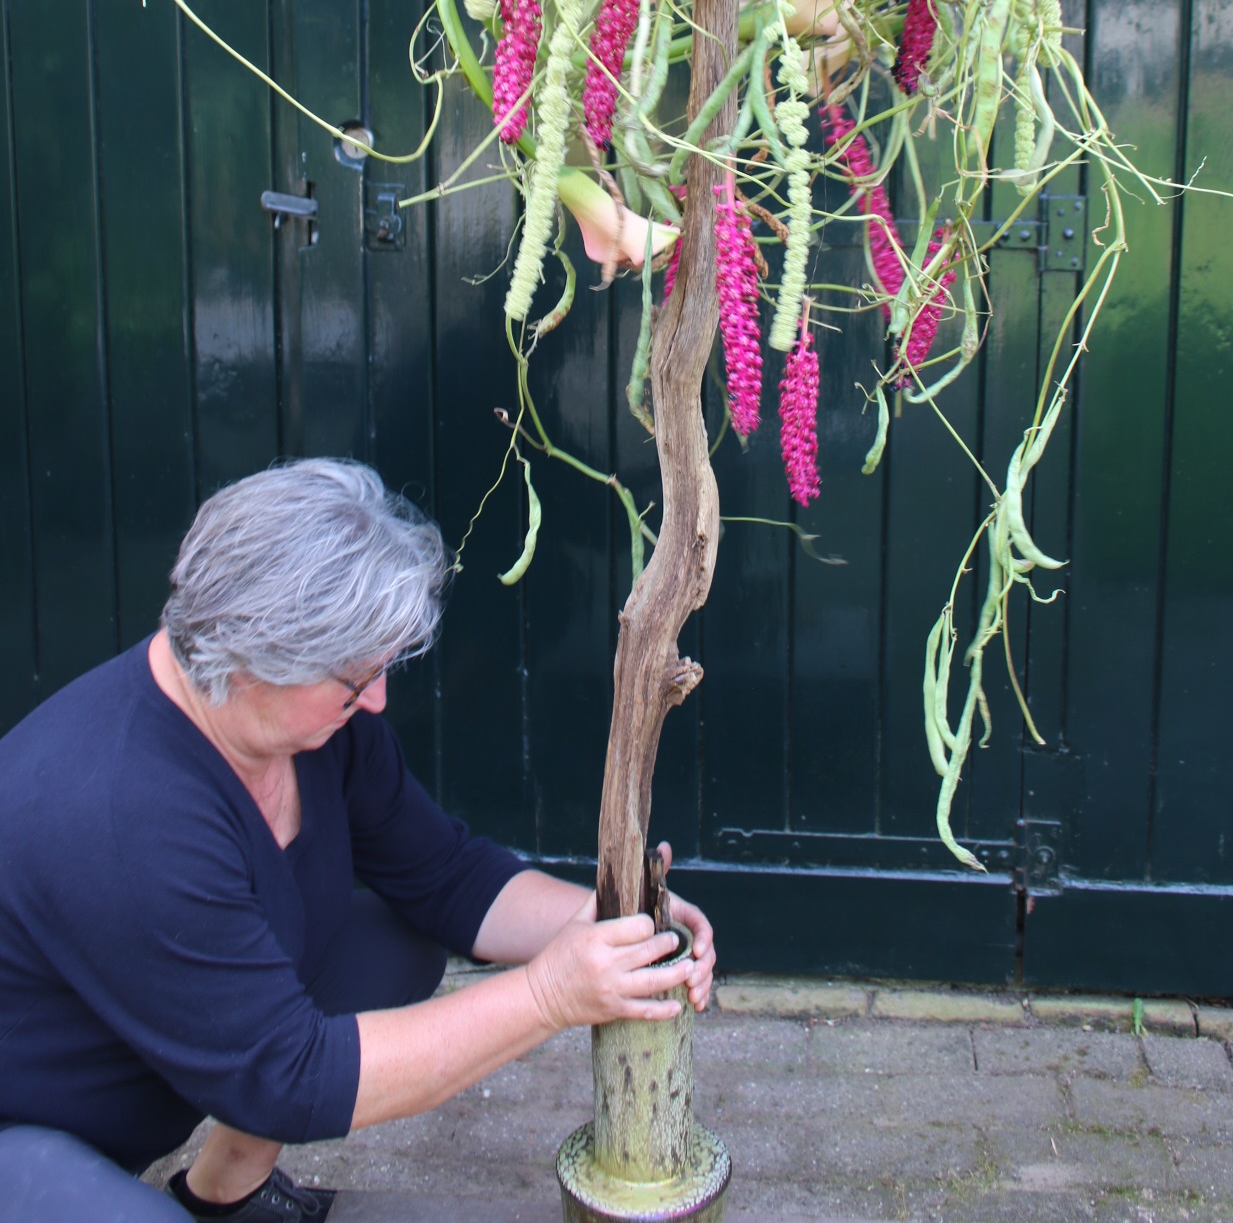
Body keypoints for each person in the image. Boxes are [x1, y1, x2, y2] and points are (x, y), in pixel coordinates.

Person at [0, 461, 715, 1223]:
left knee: (394, 943)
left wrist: (620, 928)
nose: (376, 698)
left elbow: (445, 876)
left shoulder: (309, 729)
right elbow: (292, 1078)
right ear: (251, 661)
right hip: (28, 1130)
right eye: (352, 679)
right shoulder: (125, 816)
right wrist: (551, 993)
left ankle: (226, 1191)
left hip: (172, 1055)